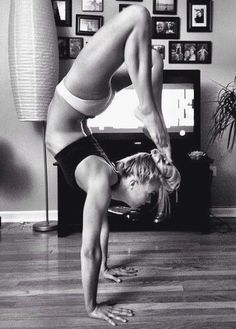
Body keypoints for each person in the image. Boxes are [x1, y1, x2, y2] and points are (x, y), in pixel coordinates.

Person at [46, 5, 180, 326]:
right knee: (138, 18)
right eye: (148, 197)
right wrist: (92, 306)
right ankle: (148, 110)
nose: (145, 204)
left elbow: (99, 234)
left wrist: (105, 267)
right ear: (132, 184)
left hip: (81, 104)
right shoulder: (103, 178)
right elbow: (88, 251)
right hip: (76, 100)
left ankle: (149, 111)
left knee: (151, 50)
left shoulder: (105, 180)